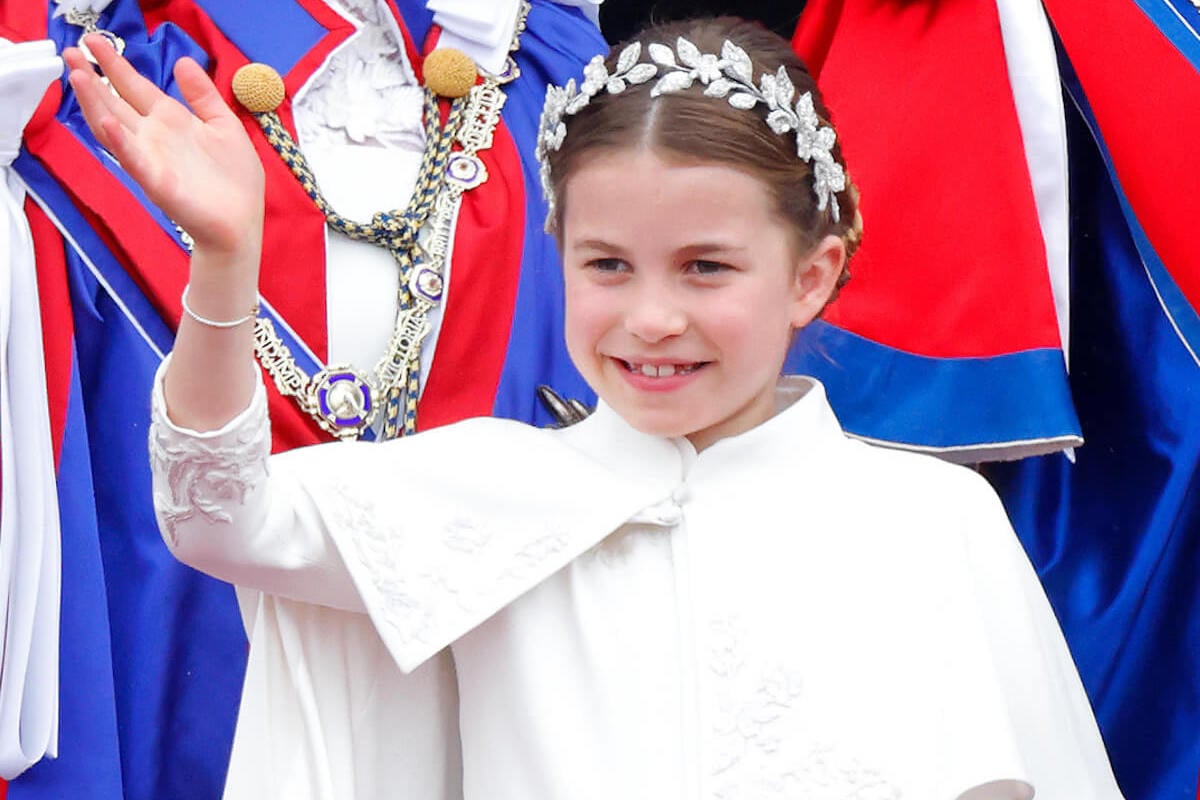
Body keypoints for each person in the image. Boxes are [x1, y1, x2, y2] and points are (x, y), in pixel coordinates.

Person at [67, 15, 1124, 799]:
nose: (651, 317)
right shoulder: (483, 491)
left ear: (812, 275)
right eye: (607, 264)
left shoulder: (928, 522)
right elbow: (219, 513)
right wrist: (223, 258)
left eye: (706, 267)